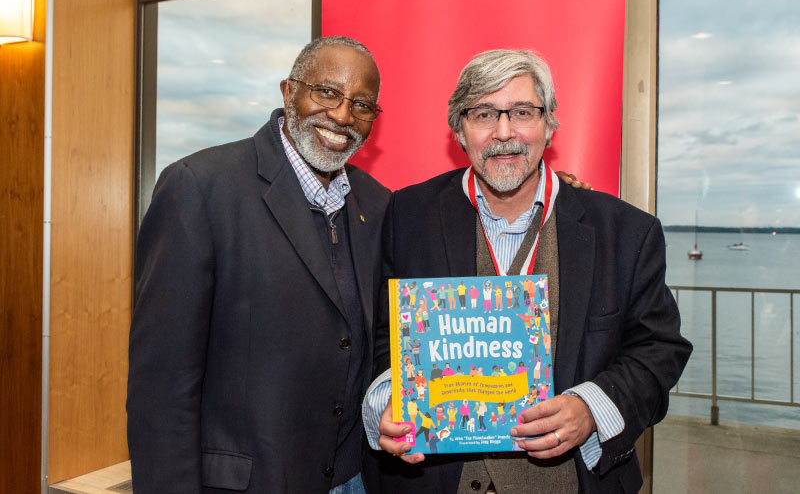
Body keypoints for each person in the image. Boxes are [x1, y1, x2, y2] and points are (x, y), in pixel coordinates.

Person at [362, 49, 692, 493]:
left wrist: (592, 407)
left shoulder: (627, 232)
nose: (503, 133)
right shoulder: (407, 215)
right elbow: (383, 335)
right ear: (459, 129)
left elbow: (659, 348)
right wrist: (388, 401)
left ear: (550, 124)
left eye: (522, 112)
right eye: (483, 114)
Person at [126, 36, 391, 494]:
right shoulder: (199, 188)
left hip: (352, 480)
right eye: (327, 92)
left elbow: (380, 337)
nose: (344, 116)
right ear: (289, 91)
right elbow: (161, 387)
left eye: (362, 105)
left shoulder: (379, 203)